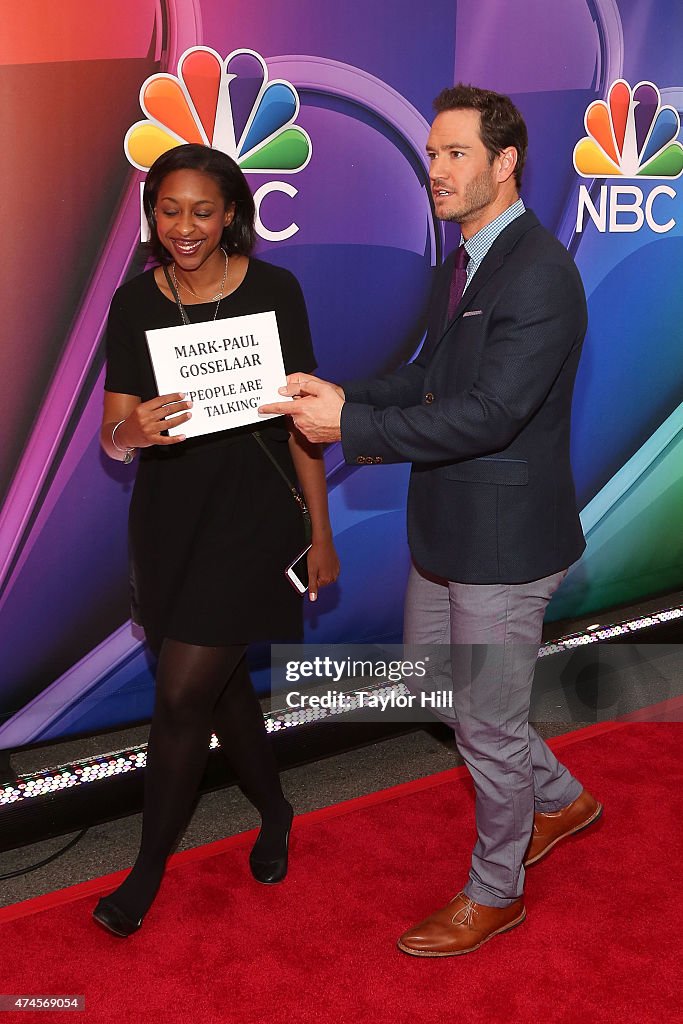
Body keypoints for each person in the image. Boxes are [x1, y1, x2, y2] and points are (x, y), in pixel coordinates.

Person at [260, 84, 601, 957]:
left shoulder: (541, 274)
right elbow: (428, 376)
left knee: (484, 719)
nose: (435, 170)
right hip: (446, 532)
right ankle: (559, 797)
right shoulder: (468, 260)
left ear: (503, 162)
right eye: (431, 154)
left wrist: (351, 429)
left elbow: (488, 414)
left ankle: (497, 890)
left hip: (502, 544)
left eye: (453, 154)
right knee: (444, 692)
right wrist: (343, 396)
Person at [94, 143, 339, 937]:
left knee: (178, 699)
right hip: (168, 524)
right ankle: (274, 811)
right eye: (169, 210)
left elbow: (304, 424)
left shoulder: (277, 291)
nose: (184, 227)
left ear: (232, 212)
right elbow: (112, 434)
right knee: (220, 689)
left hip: (252, 522)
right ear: (152, 213)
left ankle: (145, 871)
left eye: (202, 210)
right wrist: (131, 431)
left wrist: (320, 532)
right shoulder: (135, 302)